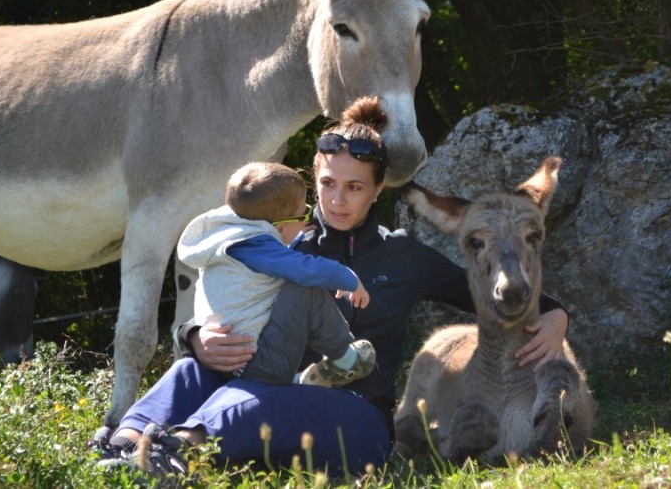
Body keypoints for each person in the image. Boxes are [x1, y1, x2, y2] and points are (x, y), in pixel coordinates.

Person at [92, 96, 570, 481]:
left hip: (356, 420)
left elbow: (503, 296)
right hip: (269, 392)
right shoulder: (279, 241)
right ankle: (124, 441)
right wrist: (194, 338)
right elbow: (215, 300)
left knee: (255, 403)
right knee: (189, 376)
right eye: (327, 183)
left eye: (355, 187)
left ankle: (175, 453)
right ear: (313, 180)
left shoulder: (403, 256)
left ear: (378, 188)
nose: (337, 199)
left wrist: (556, 318)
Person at [179, 161, 374, 388]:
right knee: (304, 287)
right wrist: (347, 276)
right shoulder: (255, 247)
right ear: (280, 227)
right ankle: (347, 361)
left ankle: (292, 379)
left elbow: (273, 257)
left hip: (223, 369)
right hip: (256, 367)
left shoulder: (228, 237)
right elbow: (303, 270)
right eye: (304, 214)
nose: (306, 221)